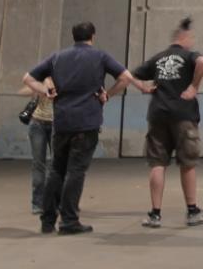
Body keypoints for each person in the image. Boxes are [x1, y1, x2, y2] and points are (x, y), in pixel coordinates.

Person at [24, 22, 139, 235]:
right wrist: (108, 94)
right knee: (75, 171)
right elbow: (126, 77)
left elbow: (28, 78)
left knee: (56, 170)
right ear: (92, 36)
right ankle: (69, 221)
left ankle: (47, 221)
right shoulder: (100, 56)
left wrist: (45, 91)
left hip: (62, 122)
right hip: (86, 122)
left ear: (73, 36)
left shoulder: (57, 57)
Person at [123, 17, 203, 228]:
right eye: (190, 38)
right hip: (183, 115)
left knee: (157, 164)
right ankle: (192, 211)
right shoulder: (190, 55)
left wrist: (142, 87)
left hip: (158, 115)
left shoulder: (158, 58)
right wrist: (194, 86)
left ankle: (155, 214)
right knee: (187, 163)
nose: (192, 41)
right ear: (183, 37)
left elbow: (127, 75)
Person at [20, 77, 56, 216]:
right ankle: (37, 203)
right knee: (38, 164)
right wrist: (40, 87)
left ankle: (56, 201)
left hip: (56, 124)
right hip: (37, 123)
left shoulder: (64, 79)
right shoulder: (41, 80)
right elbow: (22, 91)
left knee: (57, 165)